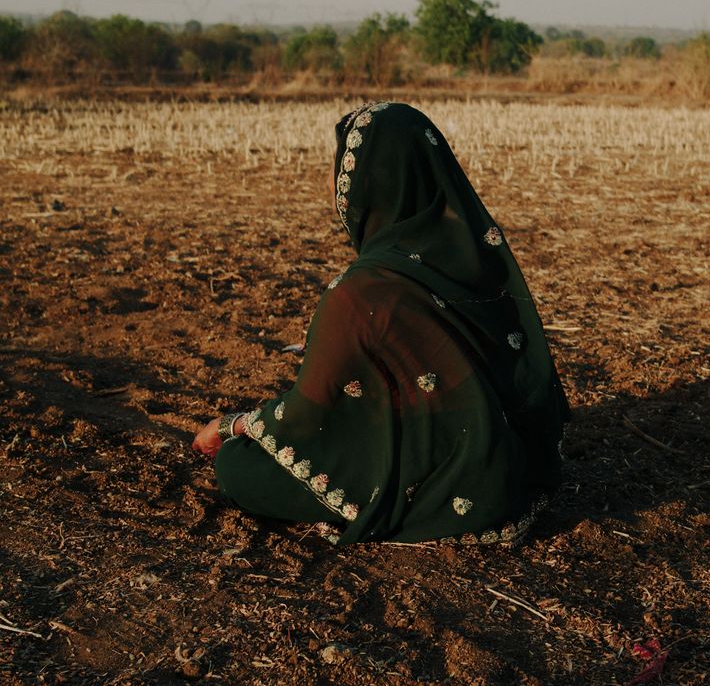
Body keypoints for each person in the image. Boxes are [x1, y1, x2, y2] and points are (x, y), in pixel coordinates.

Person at [192, 101, 569, 545]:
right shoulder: (477, 258)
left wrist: (235, 425)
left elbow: (304, 416)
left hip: (439, 487)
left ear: (362, 186)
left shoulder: (358, 293)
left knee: (239, 466)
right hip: (509, 480)